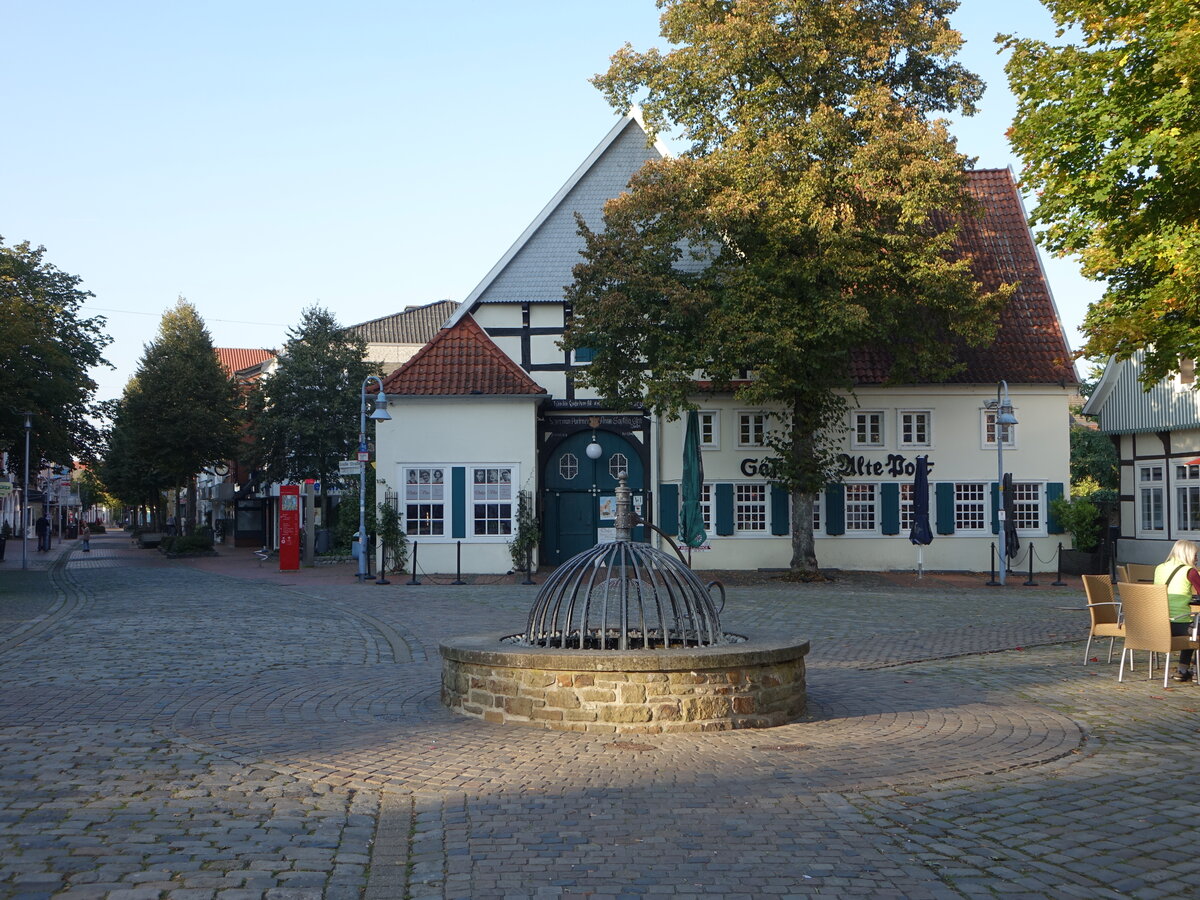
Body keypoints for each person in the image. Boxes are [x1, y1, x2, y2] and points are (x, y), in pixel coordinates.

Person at [1153, 539, 1200, 682]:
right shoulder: (1190, 571)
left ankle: (1182, 670)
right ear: (1187, 554)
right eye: (1195, 555)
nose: (1197, 558)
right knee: (1196, 629)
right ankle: (1196, 671)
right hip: (1179, 624)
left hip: (1159, 624)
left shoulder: (1159, 567)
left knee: (1195, 627)